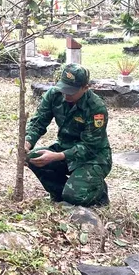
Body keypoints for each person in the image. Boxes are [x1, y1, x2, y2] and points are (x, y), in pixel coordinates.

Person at [24, 63, 111, 207]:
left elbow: (90, 147)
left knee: (76, 197)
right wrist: (27, 141)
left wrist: (57, 156)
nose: (66, 95)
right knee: (32, 157)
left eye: (71, 91)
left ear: (85, 88)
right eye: (64, 89)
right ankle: (61, 193)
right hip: (64, 148)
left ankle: (99, 191)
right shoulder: (54, 95)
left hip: (93, 158)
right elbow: (38, 122)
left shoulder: (96, 107)